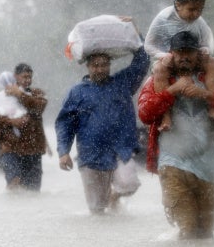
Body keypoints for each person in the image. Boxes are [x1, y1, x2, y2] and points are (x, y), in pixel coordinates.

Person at [138, 31, 214, 239]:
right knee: (188, 229)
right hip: (172, 165)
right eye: (179, 52)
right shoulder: (157, 79)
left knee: (206, 234)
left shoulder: (212, 77)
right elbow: (144, 114)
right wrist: (172, 91)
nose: (184, 56)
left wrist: (206, 95)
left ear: (198, 54)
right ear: (171, 54)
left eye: (189, 52)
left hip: (208, 166)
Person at [55, 33, 149, 214]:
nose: (100, 69)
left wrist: (135, 33)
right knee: (97, 211)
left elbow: (142, 62)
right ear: (88, 67)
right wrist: (63, 152)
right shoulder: (77, 93)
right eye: (95, 66)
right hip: (91, 155)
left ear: (109, 65)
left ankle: (114, 198)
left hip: (120, 149)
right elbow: (65, 124)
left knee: (129, 184)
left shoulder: (122, 83)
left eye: (104, 65)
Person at [144, 0, 214, 132]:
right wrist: (164, 55)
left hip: (193, 58)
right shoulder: (163, 18)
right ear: (178, 5)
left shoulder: (199, 21)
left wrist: (205, 51)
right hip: (169, 58)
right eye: (192, 9)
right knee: (159, 68)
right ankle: (166, 115)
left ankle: (212, 107)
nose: (196, 14)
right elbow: (148, 45)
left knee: (212, 63)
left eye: (200, 10)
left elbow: (208, 43)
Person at [0, 63, 48, 191]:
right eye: (24, 77)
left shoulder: (36, 93)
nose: (27, 80)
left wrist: (20, 95)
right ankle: (10, 208)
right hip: (9, 148)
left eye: (30, 77)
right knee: (14, 181)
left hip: (33, 148)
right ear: (15, 77)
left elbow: (39, 108)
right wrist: (11, 122)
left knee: (33, 190)